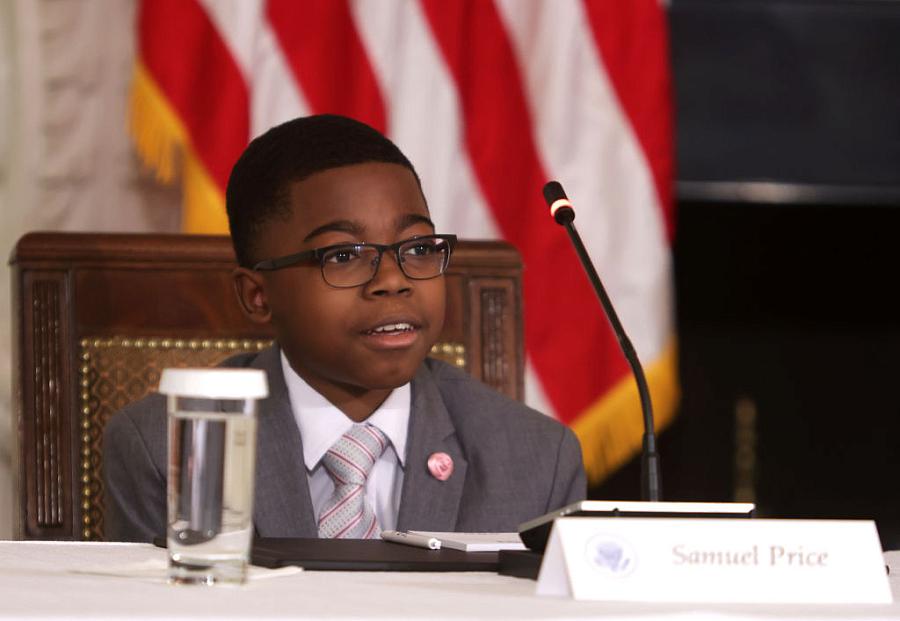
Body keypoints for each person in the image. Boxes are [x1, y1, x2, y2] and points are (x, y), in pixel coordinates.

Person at [103, 114, 586, 542]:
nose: (393, 281)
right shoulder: (170, 447)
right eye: (343, 256)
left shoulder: (536, 460)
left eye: (417, 248)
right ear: (258, 296)